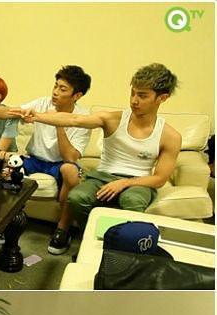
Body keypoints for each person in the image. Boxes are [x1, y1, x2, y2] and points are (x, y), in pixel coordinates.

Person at [15, 63, 181, 230]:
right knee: (77, 197)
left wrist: (123, 183)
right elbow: (74, 120)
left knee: (132, 200)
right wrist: (36, 116)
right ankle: (93, 235)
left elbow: (159, 179)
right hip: (102, 176)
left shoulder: (170, 136)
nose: (134, 101)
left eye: (142, 96)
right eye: (133, 93)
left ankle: (121, 241)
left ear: (162, 98)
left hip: (139, 182)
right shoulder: (112, 119)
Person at [0, 66, 92, 254]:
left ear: (77, 95)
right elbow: (10, 112)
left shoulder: (83, 119)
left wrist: (58, 123)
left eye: (62, 89)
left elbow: (70, 157)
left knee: (71, 171)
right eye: (55, 86)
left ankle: (62, 230)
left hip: (60, 163)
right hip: (34, 159)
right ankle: (5, 223)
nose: (55, 92)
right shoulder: (42, 103)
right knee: (9, 164)